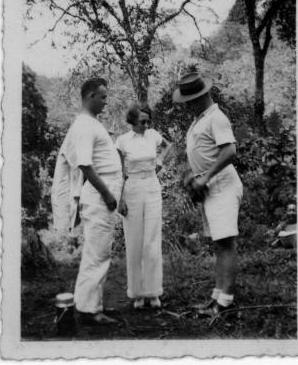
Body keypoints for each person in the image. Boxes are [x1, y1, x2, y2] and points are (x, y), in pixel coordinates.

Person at [51, 77, 122, 325]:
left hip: (106, 192)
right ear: (90, 96)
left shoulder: (92, 123)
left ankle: (89, 304)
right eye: (102, 97)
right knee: (97, 252)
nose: (105, 101)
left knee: (99, 250)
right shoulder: (84, 125)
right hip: (99, 195)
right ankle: (90, 311)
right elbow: (84, 164)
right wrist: (107, 194)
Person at [173, 69, 243, 318]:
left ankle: (226, 301)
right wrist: (193, 176)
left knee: (226, 242)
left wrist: (206, 176)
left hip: (223, 185)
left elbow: (230, 151)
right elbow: (203, 155)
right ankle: (217, 294)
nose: (186, 106)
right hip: (210, 188)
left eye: (188, 101)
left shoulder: (217, 118)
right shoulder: (199, 120)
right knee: (218, 243)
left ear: (200, 97)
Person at [115, 102, 171, 309]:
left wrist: (159, 163)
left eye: (148, 121)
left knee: (152, 240)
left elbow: (168, 146)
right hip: (132, 188)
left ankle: (153, 291)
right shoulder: (122, 141)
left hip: (152, 186)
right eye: (142, 121)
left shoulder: (153, 134)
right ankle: (137, 293)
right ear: (132, 120)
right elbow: (119, 172)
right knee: (135, 240)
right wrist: (120, 198)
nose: (146, 125)